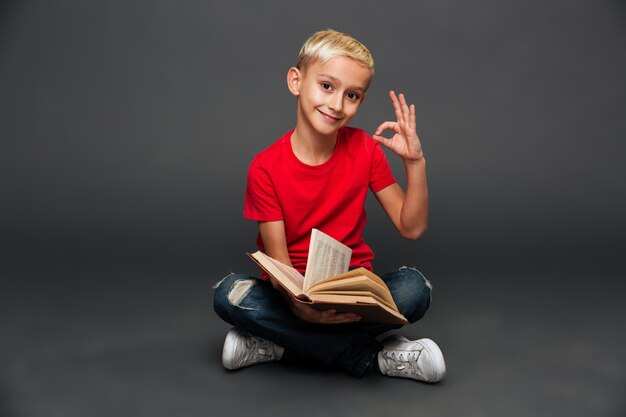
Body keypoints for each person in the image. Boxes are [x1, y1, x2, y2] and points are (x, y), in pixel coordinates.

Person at [213, 29, 446, 382]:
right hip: (290, 297)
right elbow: (278, 262)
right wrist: (301, 309)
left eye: (351, 95)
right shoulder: (265, 166)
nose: (337, 105)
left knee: (415, 288)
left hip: (350, 294)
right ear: (296, 81)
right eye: (326, 86)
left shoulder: (365, 149)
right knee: (228, 294)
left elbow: (411, 227)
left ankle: (279, 345)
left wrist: (415, 163)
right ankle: (372, 358)